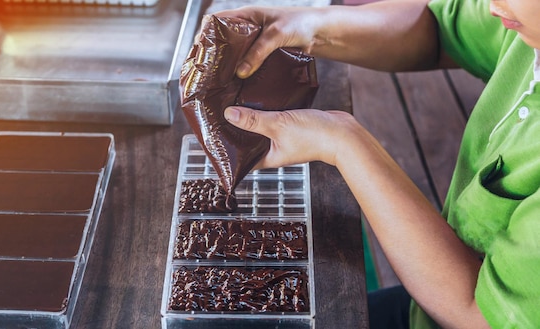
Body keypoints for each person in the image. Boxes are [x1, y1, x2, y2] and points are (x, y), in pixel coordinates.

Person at [214, 0, 540, 328]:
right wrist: (305, 25)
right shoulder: (524, 25)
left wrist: (344, 141)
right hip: (426, 306)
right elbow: (439, 28)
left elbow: (479, 317)